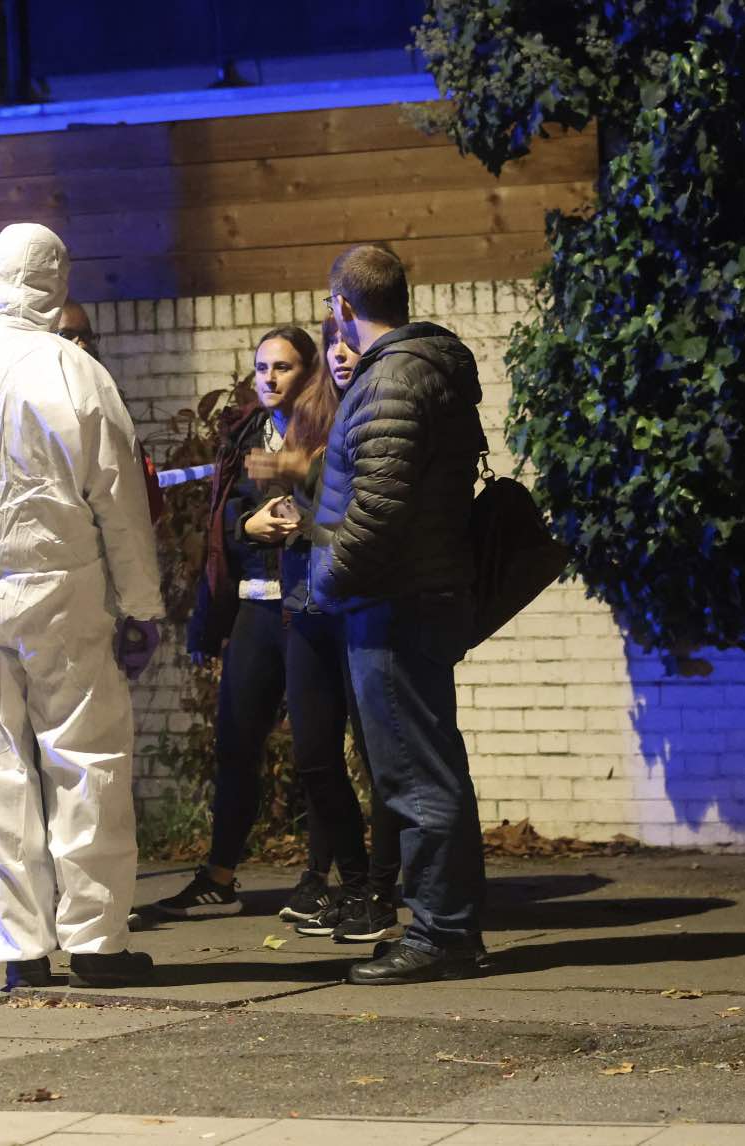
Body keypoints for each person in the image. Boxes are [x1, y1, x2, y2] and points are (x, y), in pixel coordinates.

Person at [0, 223, 165, 991]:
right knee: (87, 761)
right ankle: (96, 942)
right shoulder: (74, 371)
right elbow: (120, 504)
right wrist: (142, 604)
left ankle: (20, 951)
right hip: (60, 594)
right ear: (55, 282)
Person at [312, 243, 487, 984]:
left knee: (415, 776)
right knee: (429, 766)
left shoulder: (393, 377)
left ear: (344, 306)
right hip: (411, 595)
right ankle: (449, 927)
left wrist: (327, 579)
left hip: (391, 602)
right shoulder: (416, 368)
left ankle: (442, 933)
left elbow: (379, 508)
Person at [137, 326, 345, 928]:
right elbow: (221, 519)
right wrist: (246, 526)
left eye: (283, 367)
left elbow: (344, 508)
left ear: (308, 371)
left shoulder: (329, 429)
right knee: (235, 745)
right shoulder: (246, 433)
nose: (269, 378)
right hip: (257, 605)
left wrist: (301, 510)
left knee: (316, 752)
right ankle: (219, 878)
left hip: (311, 604)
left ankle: (322, 879)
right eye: (261, 368)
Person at [252, 316, 404, 945]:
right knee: (315, 755)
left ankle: (382, 890)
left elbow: (369, 512)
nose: (341, 353)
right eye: (331, 343)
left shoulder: (383, 402)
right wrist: (266, 518)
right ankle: (353, 880)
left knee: (379, 755)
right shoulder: (311, 412)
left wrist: (298, 479)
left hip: (362, 606)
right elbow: (295, 502)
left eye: (350, 340)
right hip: (306, 602)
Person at [59, 301, 166, 523]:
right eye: (67, 335)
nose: (82, 344)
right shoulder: (40, 406)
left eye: (87, 336)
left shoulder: (106, 393)